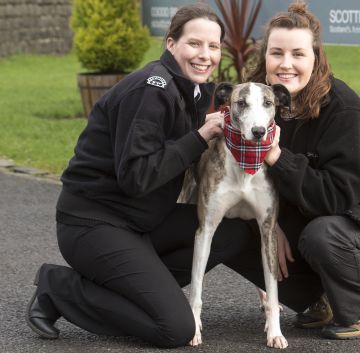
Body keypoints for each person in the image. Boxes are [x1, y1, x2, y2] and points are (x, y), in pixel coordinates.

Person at [25, 4, 254, 348]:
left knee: (231, 231)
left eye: (213, 46)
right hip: (93, 223)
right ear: (170, 43)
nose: (205, 55)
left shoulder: (193, 90)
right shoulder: (151, 89)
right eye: (194, 43)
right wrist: (200, 137)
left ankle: (133, 287)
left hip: (142, 222)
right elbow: (137, 177)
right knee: (175, 328)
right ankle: (59, 288)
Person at [226, 2, 360, 340]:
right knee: (237, 221)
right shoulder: (259, 100)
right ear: (264, 57)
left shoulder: (343, 111)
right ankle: (321, 298)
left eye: (298, 54)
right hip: (324, 214)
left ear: (316, 58)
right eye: (276, 53)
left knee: (322, 235)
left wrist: (278, 156)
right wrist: (270, 222)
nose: (286, 64)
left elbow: (337, 197)